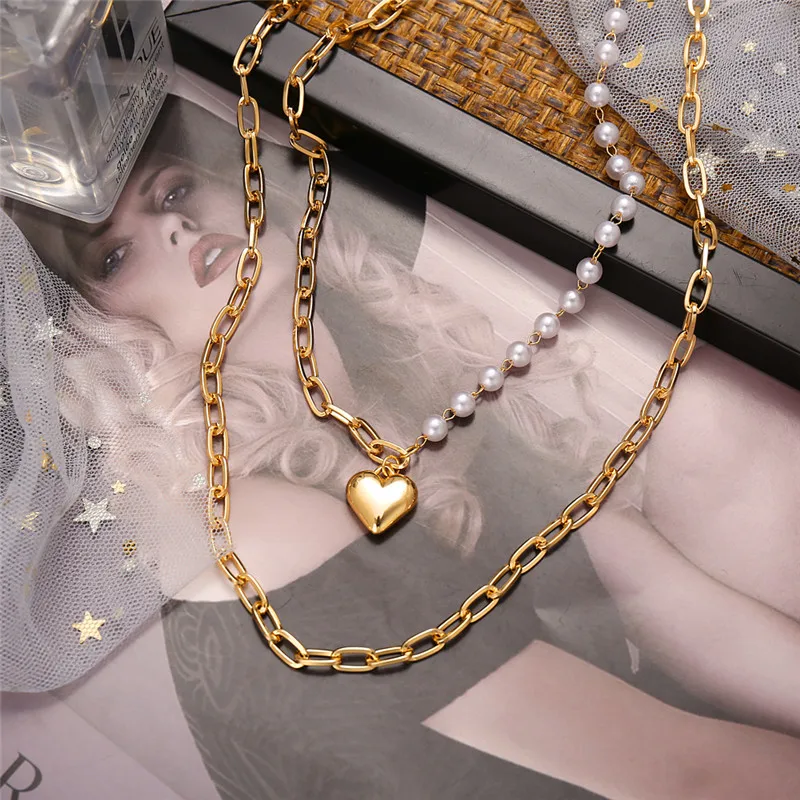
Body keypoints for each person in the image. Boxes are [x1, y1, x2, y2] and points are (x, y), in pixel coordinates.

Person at [6, 92, 800, 799]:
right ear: (105, 338)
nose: (175, 226)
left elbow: (668, 605)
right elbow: (684, 773)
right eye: (116, 255)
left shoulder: (398, 399)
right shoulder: (254, 526)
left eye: (174, 191)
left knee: (709, 411)